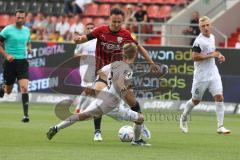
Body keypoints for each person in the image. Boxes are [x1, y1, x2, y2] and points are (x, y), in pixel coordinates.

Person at [73, 7, 160, 141]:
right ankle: (97, 132)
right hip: (102, 73)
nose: (116, 24)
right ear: (110, 19)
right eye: (114, 21)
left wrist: (151, 63)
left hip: (119, 74)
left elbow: (139, 47)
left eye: (119, 22)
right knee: (100, 99)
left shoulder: (125, 34)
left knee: (132, 102)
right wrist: (79, 40)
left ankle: (141, 124)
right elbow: (86, 37)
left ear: (122, 21)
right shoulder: (101, 31)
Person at [47, 43, 151, 146]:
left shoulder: (115, 64)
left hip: (102, 97)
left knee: (81, 115)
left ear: (123, 54)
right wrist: (126, 90)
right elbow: (120, 84)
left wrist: (108, 84)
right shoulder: (127, 69)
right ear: (135, 55)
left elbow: (100, 71)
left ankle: (56, 128)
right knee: (140, 118)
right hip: (112, 105)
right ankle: (136, 141)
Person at [180, 16, 231, 134]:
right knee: (196, 101)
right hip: (201, 76)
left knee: (219, 97)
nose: (206, 28)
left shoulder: (212, 37)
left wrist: (219, 55)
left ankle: (220, 126)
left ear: (211, 25)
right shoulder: (198, 41)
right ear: (200, 28)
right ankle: (183, 117)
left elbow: (212, 51)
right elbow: (195, 57)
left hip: (213, 73)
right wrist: (212, 55)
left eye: (207, 25)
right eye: (203, 26)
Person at [0, 9, 32, 123]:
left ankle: (26, 115)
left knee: (24, 87)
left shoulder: (27, 30)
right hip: (10, 63)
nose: (19, 19)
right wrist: (6, 55)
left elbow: (28, 41)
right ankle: (3, 87)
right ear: (15, 17)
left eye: (22, 18)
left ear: (25, 19)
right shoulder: (7, 30)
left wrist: (29, 48)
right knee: (8, 91)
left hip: (22, 62)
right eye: (18, 17)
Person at [74, 22, 97, 115]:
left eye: (92, 28)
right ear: (85, 29)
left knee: (91, 89)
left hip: (95, 66)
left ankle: (81, 108)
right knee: (89, 88)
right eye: (88, 28)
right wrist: (81, 54)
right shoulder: (82, 40)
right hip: (85, 66)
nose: (90, 29)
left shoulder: (97, 40)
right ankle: (80, 107)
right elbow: (75, 54)